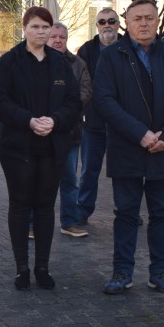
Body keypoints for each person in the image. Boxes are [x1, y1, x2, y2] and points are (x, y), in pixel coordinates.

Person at [93, 0, 164, 296]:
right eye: (137, 18)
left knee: (163, 213)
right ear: (126, 22)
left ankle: (160, 272)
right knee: (125, 213)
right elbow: (105, 100)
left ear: (158, 20)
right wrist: (141, 134)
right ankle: (122, 271)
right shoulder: (112, 56)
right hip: (128, 146)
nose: (144, 23)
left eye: (149, 18)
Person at [0, 6, 81, 291]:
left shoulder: (60, 63)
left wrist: (54, 120)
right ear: (24, 29)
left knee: (44, 206)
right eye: (35, 27)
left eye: (45, 27)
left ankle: (42, 266)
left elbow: (74, 102)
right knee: (19, 204)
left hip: (52, 146)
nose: (41, 32)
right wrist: (28, 121)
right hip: (18, 147)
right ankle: (21, 269)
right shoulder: (9, 62)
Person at [76, 8, 121, 225]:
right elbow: (80, 83)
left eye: (111, 21)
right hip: (93, 123)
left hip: (122, 123)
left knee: (124, 171)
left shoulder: (129, 46)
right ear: (97, 25)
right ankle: (83, 210)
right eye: (102, 21)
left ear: (119, 24)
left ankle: (126, 209)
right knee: (88, 171)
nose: (107, 25)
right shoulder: (87, 50)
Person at [48, 22, 92, 238]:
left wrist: (66, 109)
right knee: (39, 181)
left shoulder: (78, 63)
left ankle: (69, 222)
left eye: (61, 37)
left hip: (69, 132)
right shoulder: (37, 60)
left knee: (70, 180)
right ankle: (32, 224)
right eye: (53, 36)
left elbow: (86, 91)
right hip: (41, 133)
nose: (57, 40)